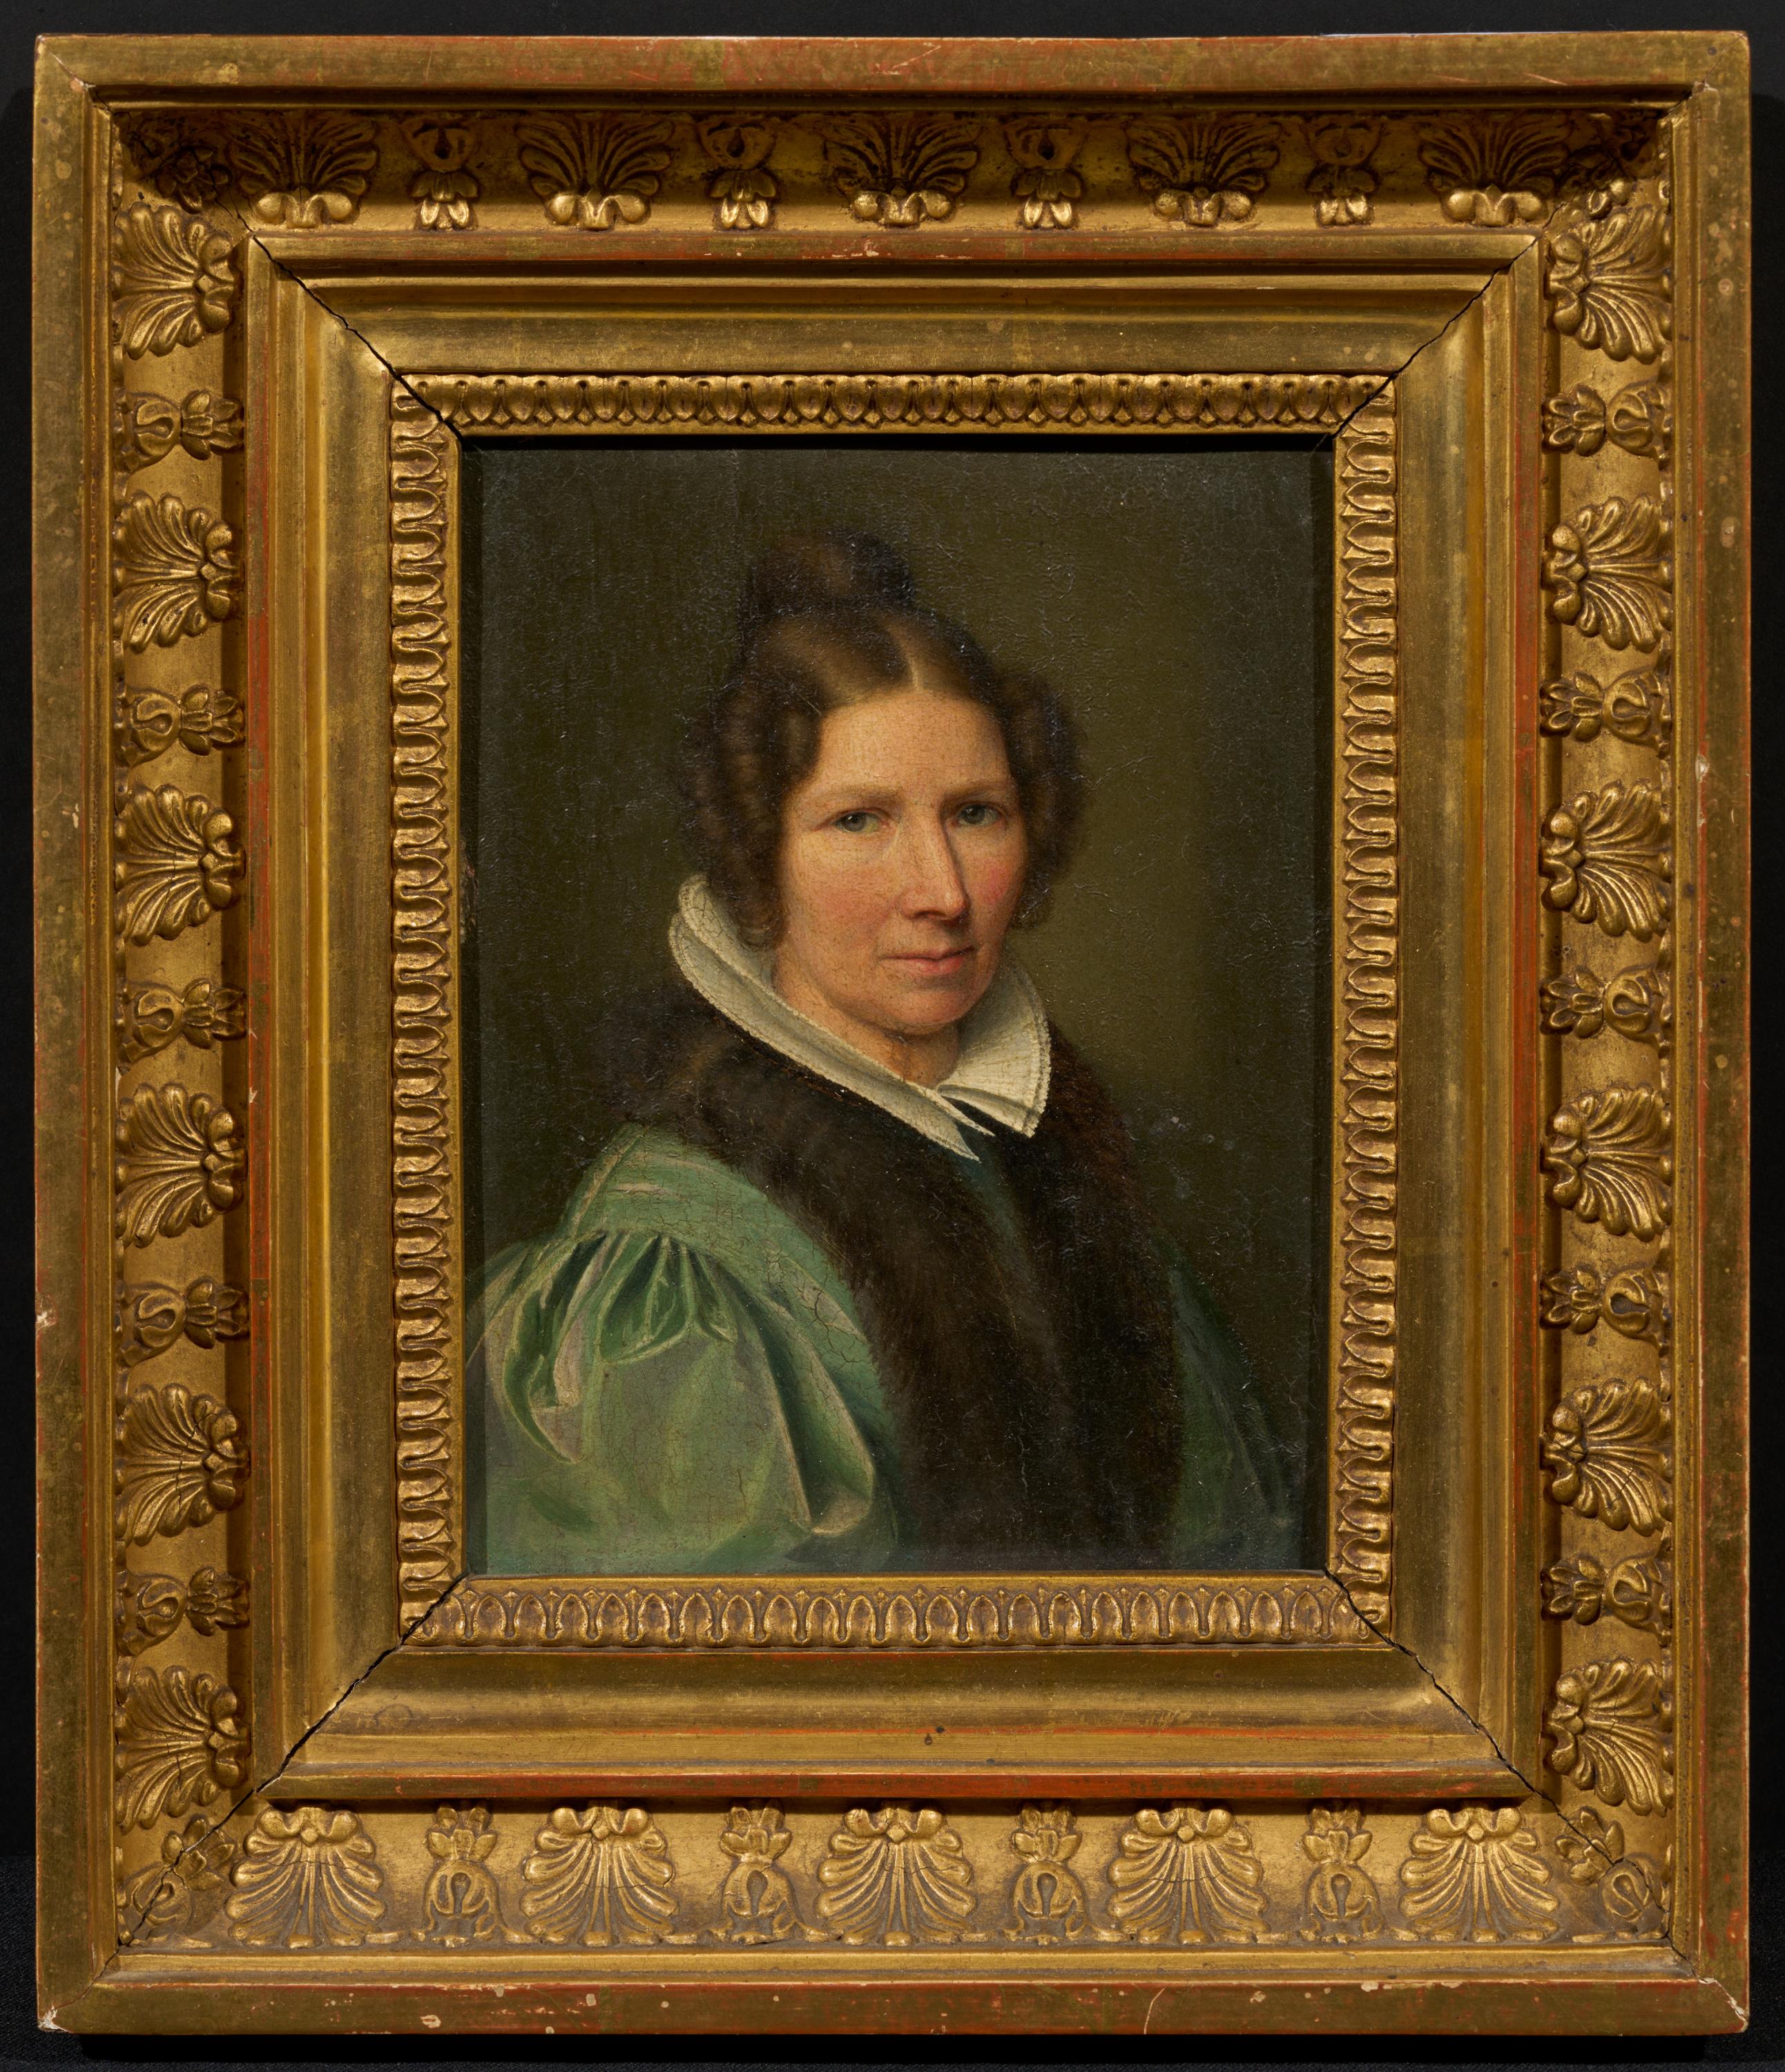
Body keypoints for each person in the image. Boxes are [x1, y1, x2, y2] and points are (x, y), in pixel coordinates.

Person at [470, 533, 1298, 1575]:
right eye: (859, 820)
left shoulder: (1070, 1183)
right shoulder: (660, 1272)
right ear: (757, 856)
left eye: (976, 815)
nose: (941, 892)